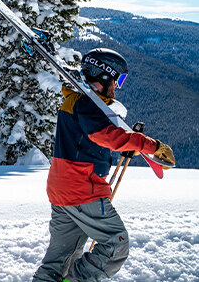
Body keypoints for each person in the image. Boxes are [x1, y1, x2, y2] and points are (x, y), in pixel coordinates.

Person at [33, 48, 176, 282]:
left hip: (62, 189)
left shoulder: (75, 100)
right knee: (116, 244)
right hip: (82, 189)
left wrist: (127, 145)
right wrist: (150, 145)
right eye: (118, 79)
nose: (117, 86)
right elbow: (106, 135)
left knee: (59, 259)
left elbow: (88, 141)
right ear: (104, 76)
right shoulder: (86, 103)